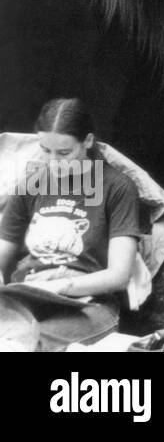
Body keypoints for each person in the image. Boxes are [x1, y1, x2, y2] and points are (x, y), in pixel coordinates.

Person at [0, 98, 145, 351]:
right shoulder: (32, 183)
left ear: (87, 141)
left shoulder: (116, 187)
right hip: (27, 294)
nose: (53, 162)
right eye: (45, 150)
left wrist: (58, 286)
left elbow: (119, 276)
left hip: (88, 304)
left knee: (28, 342)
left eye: (64, 153)